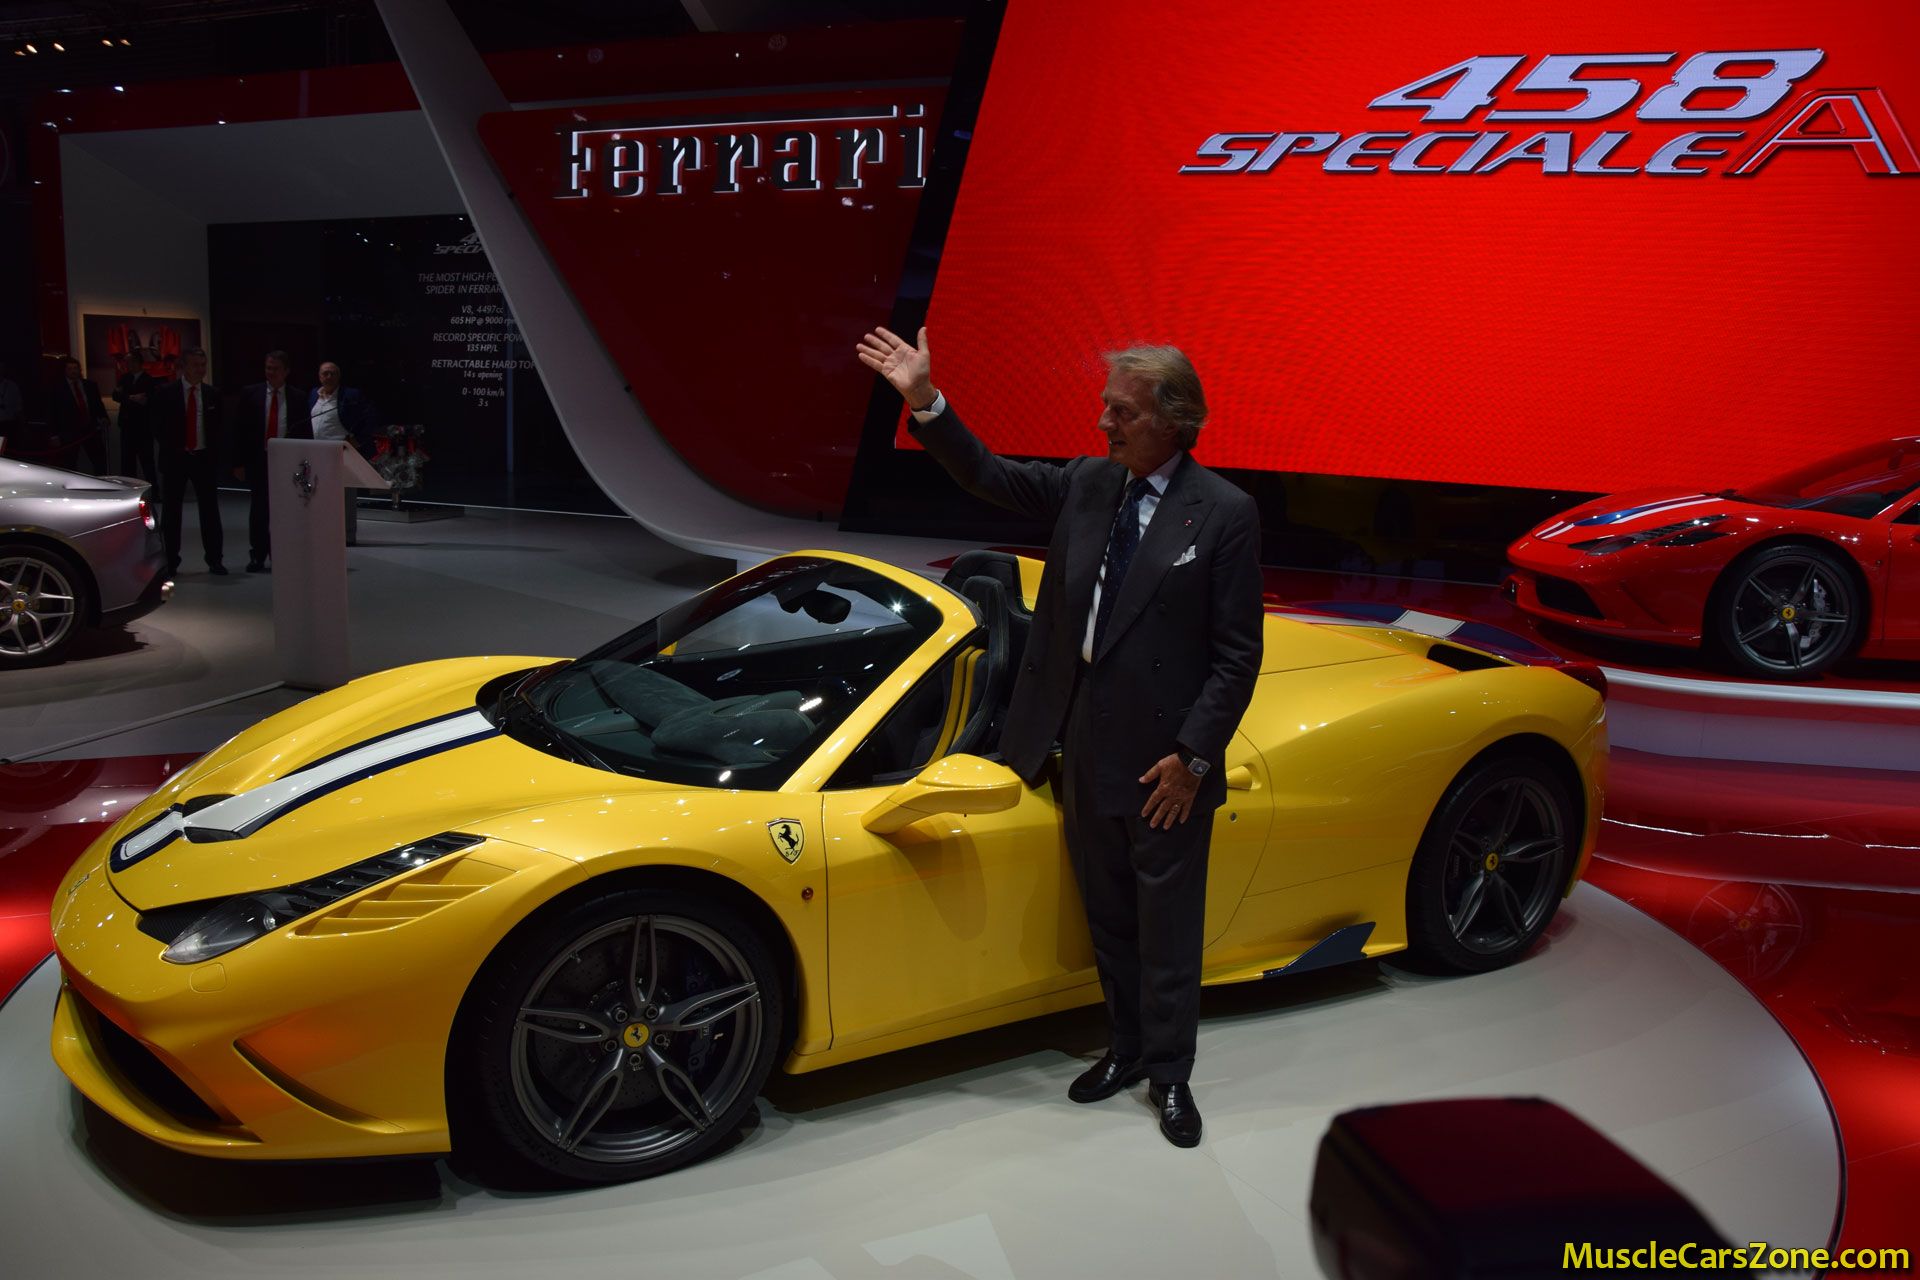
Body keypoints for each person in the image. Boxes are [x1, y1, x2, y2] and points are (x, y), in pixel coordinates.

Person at [858, 325, 1264, 1149]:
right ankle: (1125, 1048)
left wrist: (1192, 759)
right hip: (1082, 740)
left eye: (1122, 412)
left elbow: (1237, 655)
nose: (1104, 423)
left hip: (1165, 763)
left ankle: (1171, 1076)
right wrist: (925, 400)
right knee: (1107, 914)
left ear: (1173, 421)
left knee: (1166, 926)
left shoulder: (1224, 512)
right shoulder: (1088, 482)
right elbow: (988, 473)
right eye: (1106, 408)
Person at [150, 347, 227, 575]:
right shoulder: (166, 392)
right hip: (176, 458)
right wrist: (174, 447)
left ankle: (215, 559)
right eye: (195, 365)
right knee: (172, 512)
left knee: (210, 510)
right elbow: (156, 425)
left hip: (203, 458)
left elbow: (218, 428)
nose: (200, 370)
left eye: (203, 365)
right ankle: (171, 560)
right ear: (183, 367)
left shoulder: (212, 394)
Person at [235, 350, 311, 572]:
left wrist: (305, 465)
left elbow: (305, 433)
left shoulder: (298, 397)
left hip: (287, 462)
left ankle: (283, 554)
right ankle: (257, 555)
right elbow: (239, 430)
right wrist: (238, 462)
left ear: (286, 371)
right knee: (259, 509)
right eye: (268, 368)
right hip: (259, 459)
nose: (271, 372)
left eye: (275, 369)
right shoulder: (250, 394)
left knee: (286, 510)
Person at [308, 360, 375, 543]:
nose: (329, 376)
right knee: (319, 495)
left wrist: (358, 440)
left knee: (345, 496)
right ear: (319, 376)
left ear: (339, 376)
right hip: (316, 452)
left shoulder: (350, 395)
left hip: (341, 451)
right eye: (325, 373)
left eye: (333, 373)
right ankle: (323, 532)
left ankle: (347, 536)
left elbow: (369, 417)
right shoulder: (313, 394)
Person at [48, 356, 111, 474]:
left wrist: (104, 417)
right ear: (65, 371)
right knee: (70, 463)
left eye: (75, 368)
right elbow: (52, 411)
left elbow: (98, 405)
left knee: (99, 460)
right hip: (69, 431)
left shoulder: (90, 385)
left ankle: (101, 483)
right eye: (70, 368)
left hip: (90, 429)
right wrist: (54, 435)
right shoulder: (57, 388)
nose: (73, 371)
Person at [113, 356, 158, 483]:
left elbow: (151, 398)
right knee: (127, 461)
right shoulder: (124, 378)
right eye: (128, 363)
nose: (130, 365)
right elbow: (115, 395)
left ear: (140, 364)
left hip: (143, 426)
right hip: (127, 425)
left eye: (133, 362)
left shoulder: (149, 379)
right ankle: (129, 488)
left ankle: (153, 489)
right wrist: (131, 398)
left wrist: (141, 399)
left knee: (147, 461)